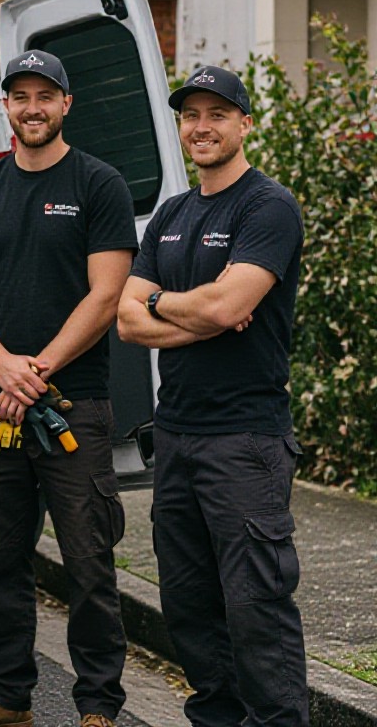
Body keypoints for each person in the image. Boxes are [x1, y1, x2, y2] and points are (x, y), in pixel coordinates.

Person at [0, 50, 138, 727]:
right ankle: (6, 697)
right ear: (6, 106)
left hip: (71, 405)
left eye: (44, 96)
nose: (32, 108)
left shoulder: (99, 183)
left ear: (65, 105)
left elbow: (106, 294)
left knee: (88, 562)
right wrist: (1, 365)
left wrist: (36, 372)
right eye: (20, 97)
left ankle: (99, 707)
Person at [117, 66, 308, 727]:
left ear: (245, 124)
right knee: (190, 606)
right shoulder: (171, 214)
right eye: (191, 115)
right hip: (176, 435)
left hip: (245, 441)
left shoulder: (268, 207)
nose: (201, 127)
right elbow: (127, 319)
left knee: (256, 606)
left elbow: (226, 306)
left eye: (217, 114)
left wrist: (168, 303)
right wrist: (197, 312)